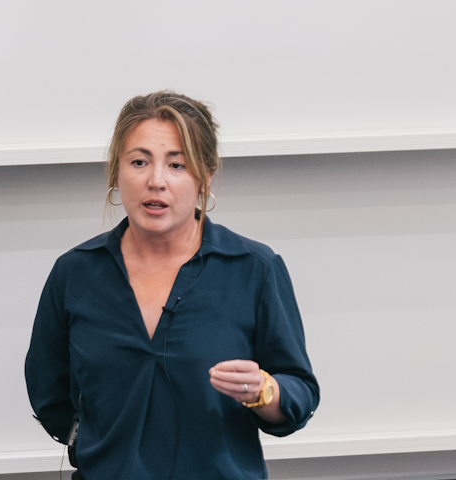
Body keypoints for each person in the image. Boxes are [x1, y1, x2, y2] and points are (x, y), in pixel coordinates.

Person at [25, 90, 319, 479]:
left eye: (177, 165)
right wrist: (102, 443)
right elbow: (50, 393)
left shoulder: (253, 269)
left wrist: (264, 390)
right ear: (116, 171)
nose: (156, 181)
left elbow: (300, 391)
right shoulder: (76, 272)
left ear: (206, 176)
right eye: (139, 162)